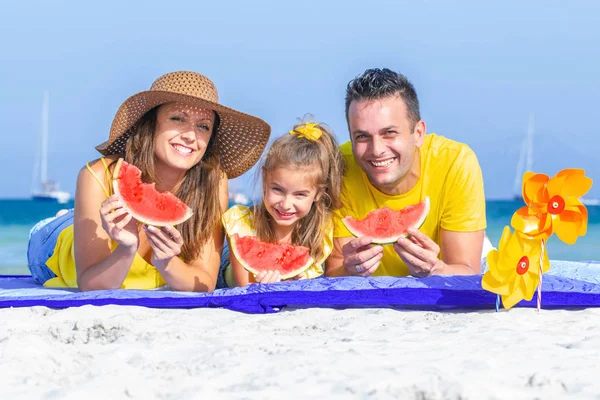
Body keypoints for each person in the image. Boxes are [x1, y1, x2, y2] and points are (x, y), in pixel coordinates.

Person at [27, 71, 271, 292]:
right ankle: (64, 217)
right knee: (61, 230)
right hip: (56, 248)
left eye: (203, 127)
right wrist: (125, 249)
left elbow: (204, 282)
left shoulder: (213, 181)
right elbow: (92, 285)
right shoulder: (98, 175)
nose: (190, 135)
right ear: (150, 124)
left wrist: (168, 263)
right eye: (177, 118)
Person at [326, 68, 486, 278]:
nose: (377, 149)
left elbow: (467, 271)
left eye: (389, 133)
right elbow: (334, 270)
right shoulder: (340, 166)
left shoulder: (455, 163)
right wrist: (348, 269)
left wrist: (437, 269)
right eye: (362, 136)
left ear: (418, 133)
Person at [218, 121, 345, 287]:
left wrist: (300, 282)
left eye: (300, 194)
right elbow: (245, 289)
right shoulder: (241, 224)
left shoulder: (321, 230)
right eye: (278, 190)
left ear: (319, 194)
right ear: (265, 180)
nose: (286, 204)